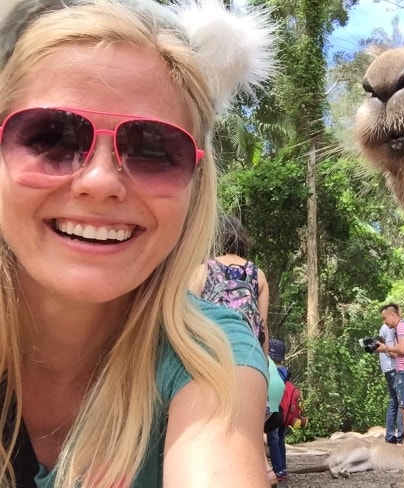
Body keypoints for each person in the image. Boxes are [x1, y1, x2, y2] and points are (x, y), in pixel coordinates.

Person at [0, 0, 275, 486]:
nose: (101, 181)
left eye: (153, 149)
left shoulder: (208, 358)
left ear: (195, 183)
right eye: (51, 137)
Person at [189, 215, 270, 355]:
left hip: (212, 351)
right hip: (248, 352)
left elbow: (189, 316)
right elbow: (262, 325)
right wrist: (264, 366)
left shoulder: (203, 270)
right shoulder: (258, 274)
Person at [375, 303, 404, 447]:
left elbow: (402, 349)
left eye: (384, 318)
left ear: (392, 315)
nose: (384, 322)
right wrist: (383, 349)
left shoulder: (402, 327)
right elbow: (397, 353)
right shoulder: (398, 329)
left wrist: (387, 347)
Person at [377, 322, 404, 444]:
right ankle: (401, 435)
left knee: (394, 401)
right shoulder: (389, 329)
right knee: (400, 401)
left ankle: (390, 434)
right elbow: (392, 351)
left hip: (387, 369)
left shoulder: (384, 328)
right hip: (393, 368)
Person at [267, 338, 289, 482]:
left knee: (273, 440)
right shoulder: (285, 371)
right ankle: (283, 468)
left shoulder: (275, 371)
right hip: (286, 412)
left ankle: (277, 470)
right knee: (280, 440)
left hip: (274, 411)